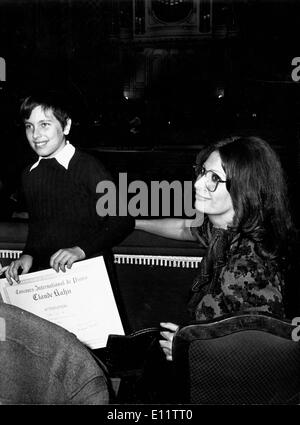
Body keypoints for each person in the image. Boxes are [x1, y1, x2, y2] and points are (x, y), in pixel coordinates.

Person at [135, 136, 295, 361]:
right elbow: (185, 227)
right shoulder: (222, 231)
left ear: (244, 190)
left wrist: (189, 350)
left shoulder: (246, 267)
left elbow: (263, 352)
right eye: (202, 172)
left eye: (214, 178)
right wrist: (133, 222)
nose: (198, 183)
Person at [5, 91, 134, 283]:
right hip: (49, 278)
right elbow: (39, 229)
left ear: (66, 126)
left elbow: (123, 220)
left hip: (90, 276)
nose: (35, 134)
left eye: (44, 125)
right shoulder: (29, 174)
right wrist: (28, 255)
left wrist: (79, 250)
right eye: (29, 126)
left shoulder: (89, 167)